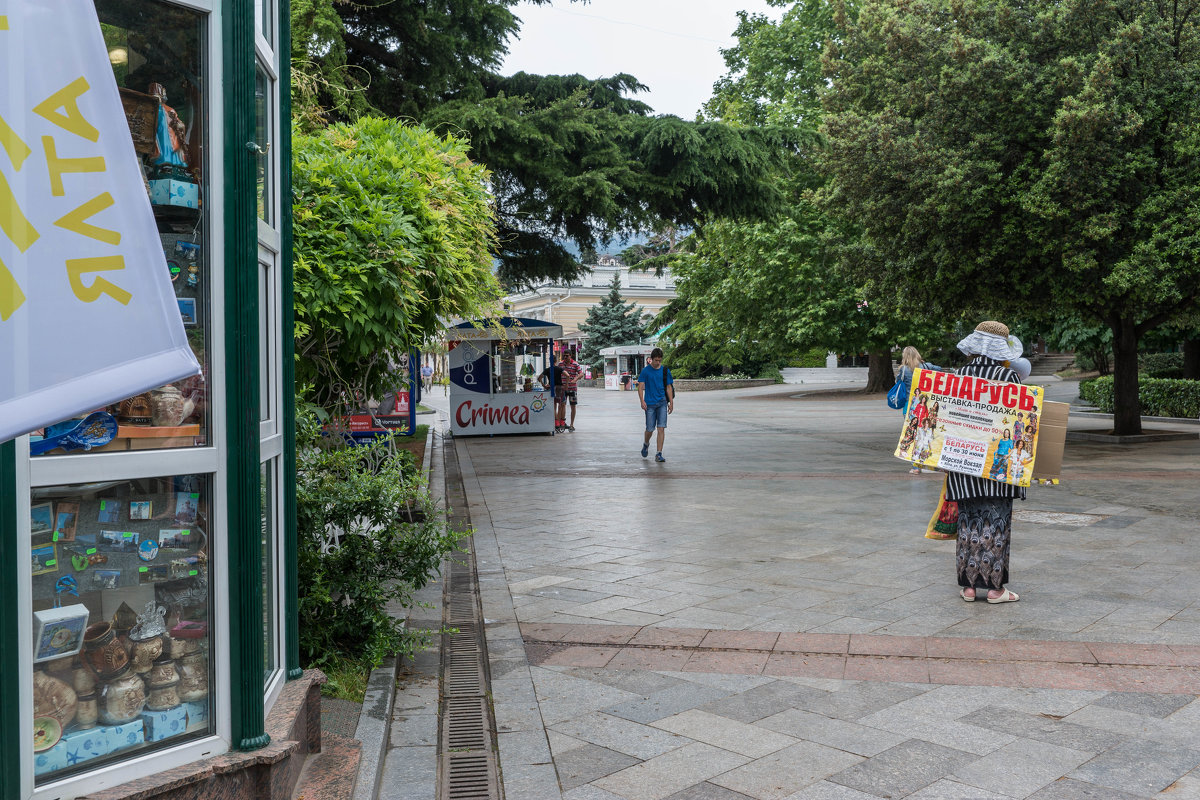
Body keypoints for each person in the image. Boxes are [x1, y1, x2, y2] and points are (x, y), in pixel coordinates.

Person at [949, 320, 1025, 604]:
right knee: (996, 524)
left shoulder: (959, 375)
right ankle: (995, 590)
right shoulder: (1008, 378)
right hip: (998, 466)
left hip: (964, 463)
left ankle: (969, 588)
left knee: (968, 523)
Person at [636, 347, 674, 462]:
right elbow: (640, 387)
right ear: (651, 359)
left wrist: (671, 403)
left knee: (661, 428)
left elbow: (668, 387)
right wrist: (642, 401)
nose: (658, 362)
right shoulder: (645, 371)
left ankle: (658, 453)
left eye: (660, 360)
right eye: (656, 360)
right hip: (650, 404)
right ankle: (646, 443)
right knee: (649, 429)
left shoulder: (665, 370)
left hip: (662, 402)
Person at [539, 356, 567, 432]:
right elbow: (567, 375)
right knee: (562, 405)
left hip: (552, 388)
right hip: (560, 388)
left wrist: (543, 385)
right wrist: (566, 385)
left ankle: (556, 422)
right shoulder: (559, 369)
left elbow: (539, 378)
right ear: (556, 361)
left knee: (554, 405)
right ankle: (562, 421)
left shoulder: (547, 370)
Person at [560, 350, 584, 431]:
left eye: (567, 356)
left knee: (573, 406)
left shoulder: (575, 364)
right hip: (563, 389)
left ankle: (571, 424)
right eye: (564, 356)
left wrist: (575, 379)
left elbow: (581, 373)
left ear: (570, 356)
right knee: (562, 405)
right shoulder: (560, 364)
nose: (565, 357)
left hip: (572, 389)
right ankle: (562, 423)